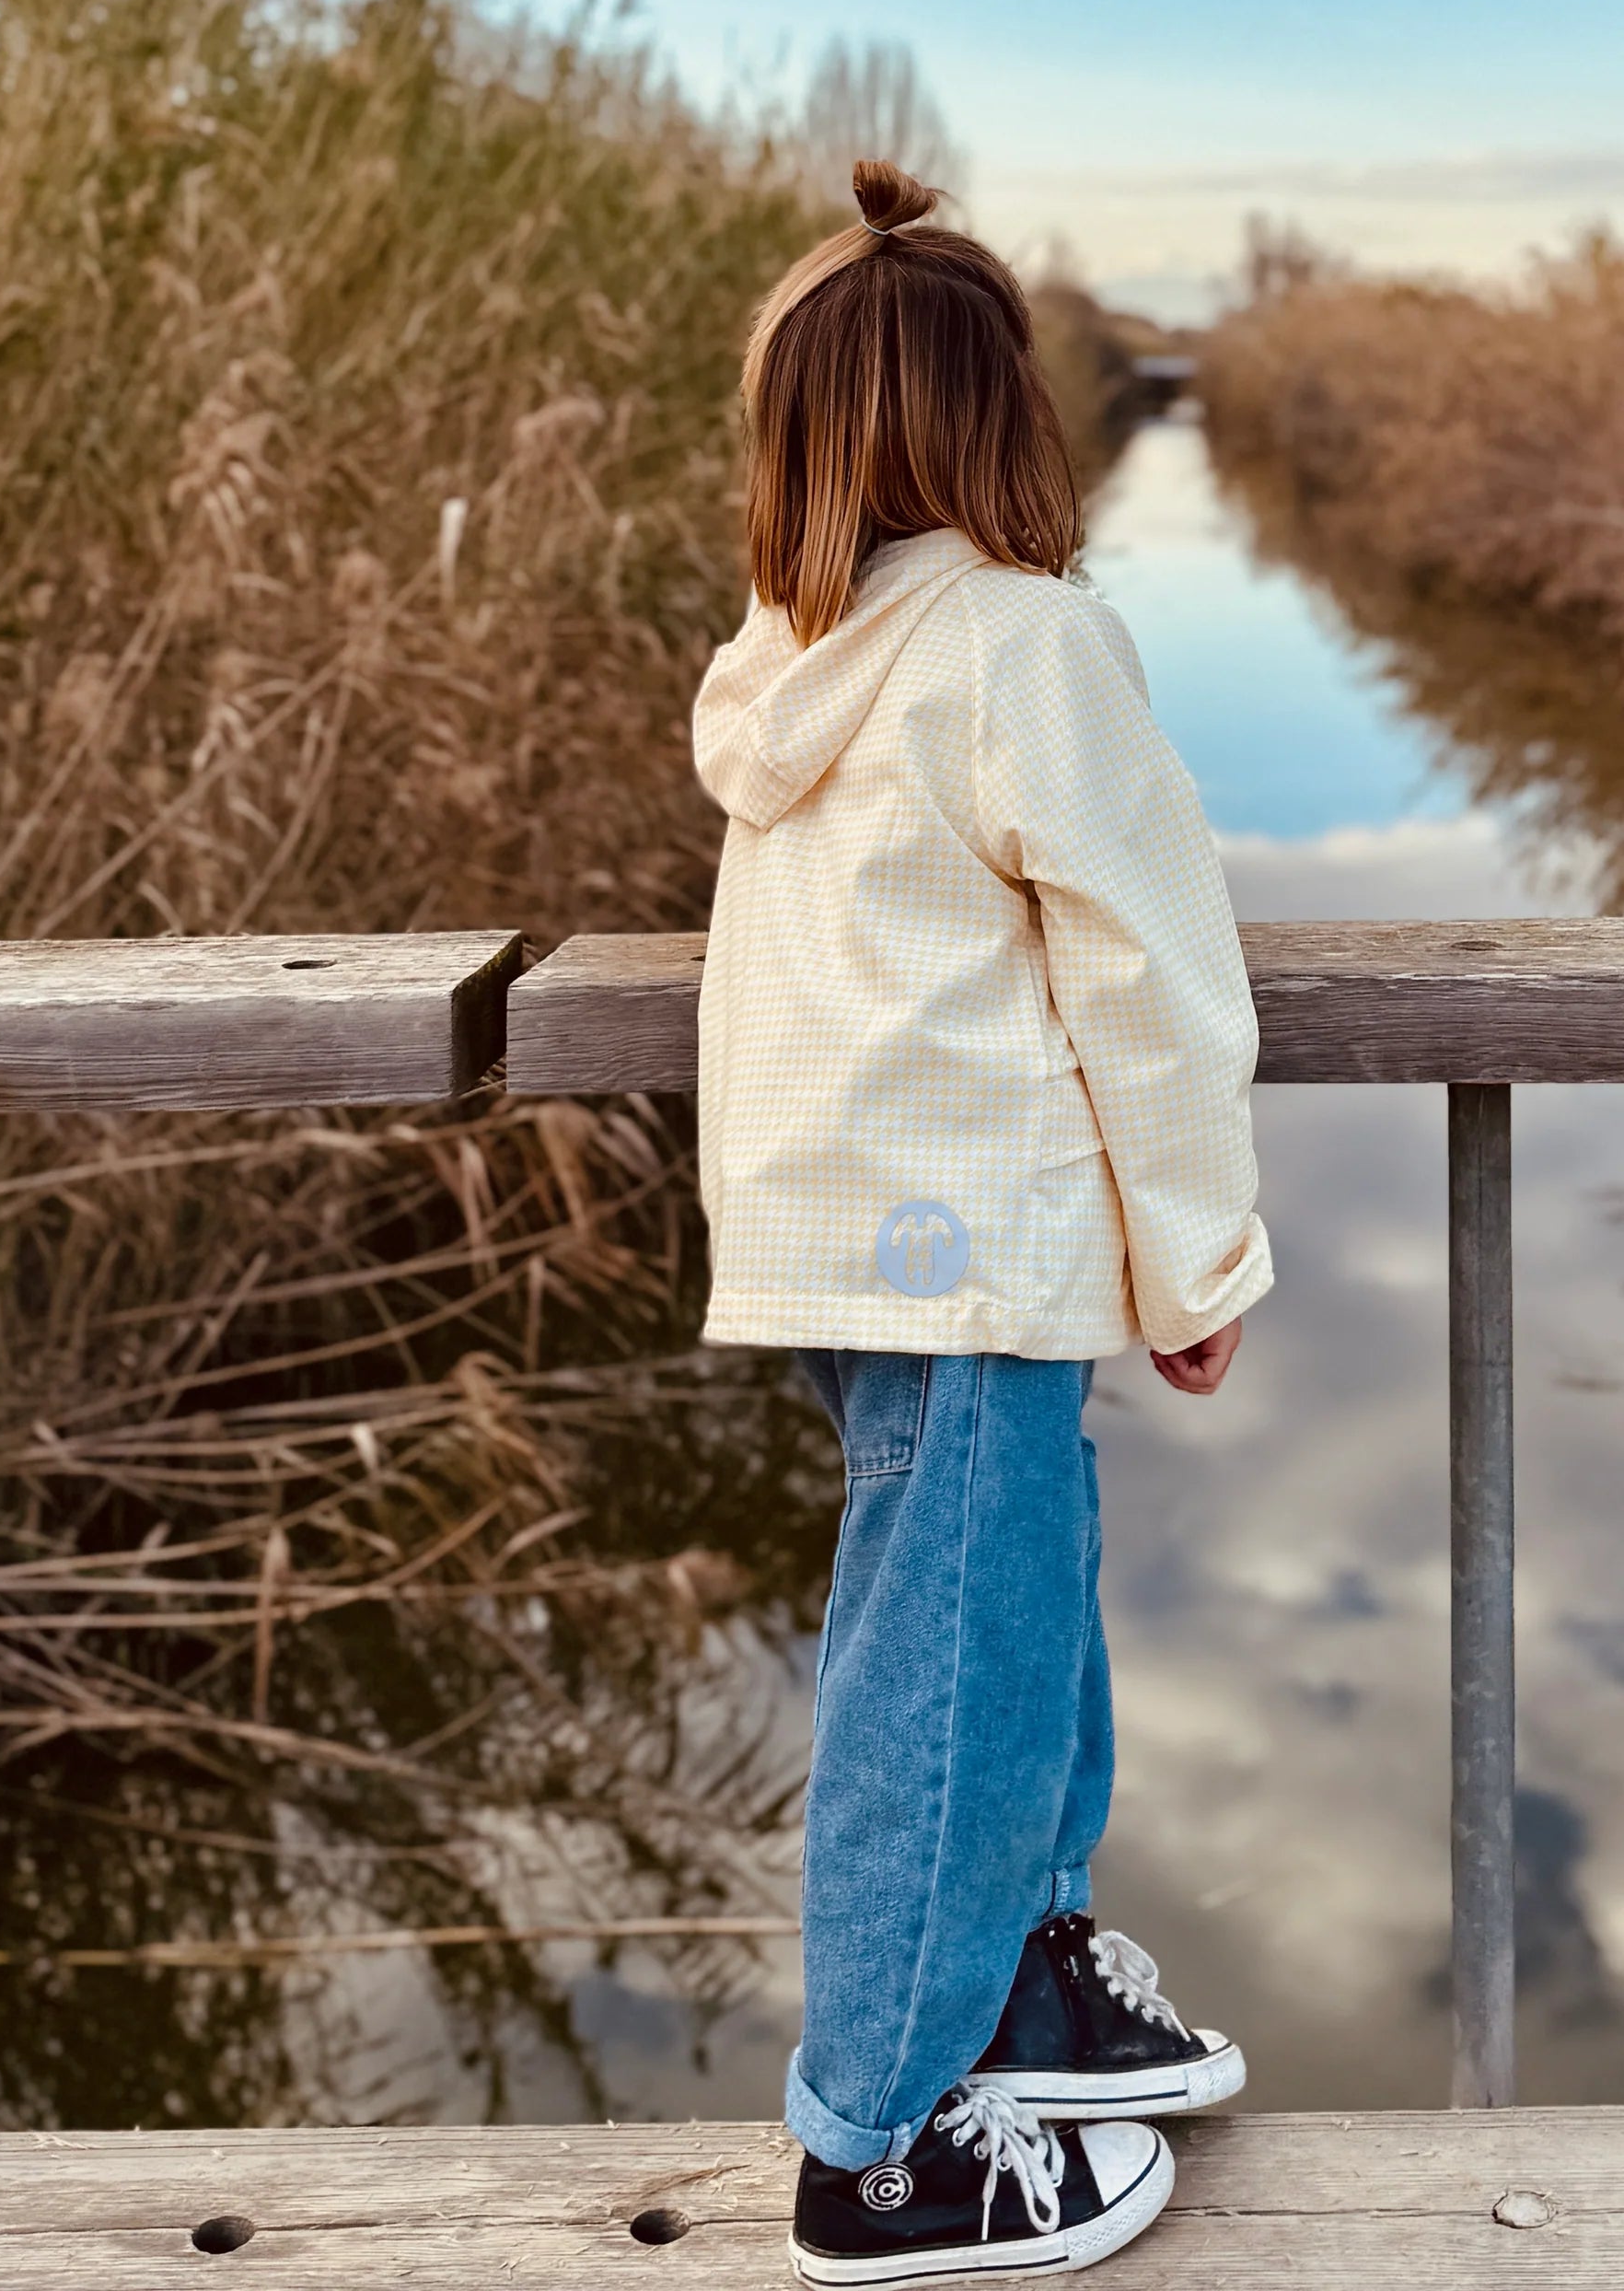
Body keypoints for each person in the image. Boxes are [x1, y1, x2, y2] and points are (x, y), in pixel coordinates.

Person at [695, 159, 1273, 2285]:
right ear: (1004, 424)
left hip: (849, 1236)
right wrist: (1196, 1258)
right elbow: (1153, 965)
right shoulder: (1029, 648)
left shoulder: (791, 664)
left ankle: (1021, 1970)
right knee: (945, 1656)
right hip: (981, 1237)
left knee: (1000, 1614)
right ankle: (884, 2140)